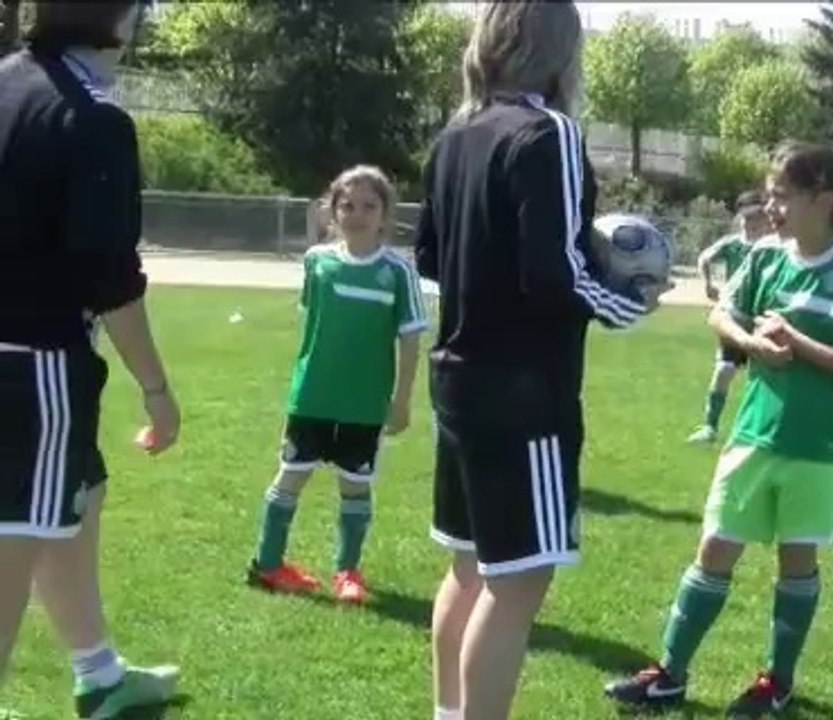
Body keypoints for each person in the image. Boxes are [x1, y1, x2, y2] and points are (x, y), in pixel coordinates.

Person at [413, 4, 663, 719]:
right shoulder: (547, 132)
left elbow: (429, 255)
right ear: (561, 49)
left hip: (456, 377)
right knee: (519, 579)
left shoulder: (458, 134)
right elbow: (553, 274)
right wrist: (627, 302)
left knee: (469, 566)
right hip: (523, 393)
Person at [604, 141, 833, 718]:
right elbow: (720, 315)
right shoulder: (764, 258)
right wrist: (752, 342)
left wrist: (796, 341)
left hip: (818, 444)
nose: (772, 207)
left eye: (783, 196)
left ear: (824, 199)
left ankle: (776, 683)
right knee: (713, 548)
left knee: (796, 560)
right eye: (770, 195)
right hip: (753, 433)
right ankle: (670, 674)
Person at [0, 2, 182, 716]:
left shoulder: (8, 82)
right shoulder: (93, 117)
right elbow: (109, 277)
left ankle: (99, 673)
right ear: (122, 18)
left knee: (80, 493)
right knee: (15, 544)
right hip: (33, 366)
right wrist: (157, 388)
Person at [245, 165, 425, 604]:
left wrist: (400, 400)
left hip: (364, 403)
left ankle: (347, 572)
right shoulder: (317, 261)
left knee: (355, 485)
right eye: (347, 205)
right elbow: (314, 325)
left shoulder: (398, 273)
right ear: (332, 211)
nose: (357, 214)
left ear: (385, 214)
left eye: (368, 206)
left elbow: (410, 339)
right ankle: (267, 565)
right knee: (290, 477)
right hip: (313, 396)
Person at [686, 190, 773, 444]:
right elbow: (704, 258)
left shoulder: (772, 246)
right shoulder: (732, 244)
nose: (752, 221)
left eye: (757, 216)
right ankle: (710, 427)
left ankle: (759, 430)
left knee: (764, 378)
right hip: (735, 317)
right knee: (724, 370)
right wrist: (708, 285)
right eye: (748, 217)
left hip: (763, 319)